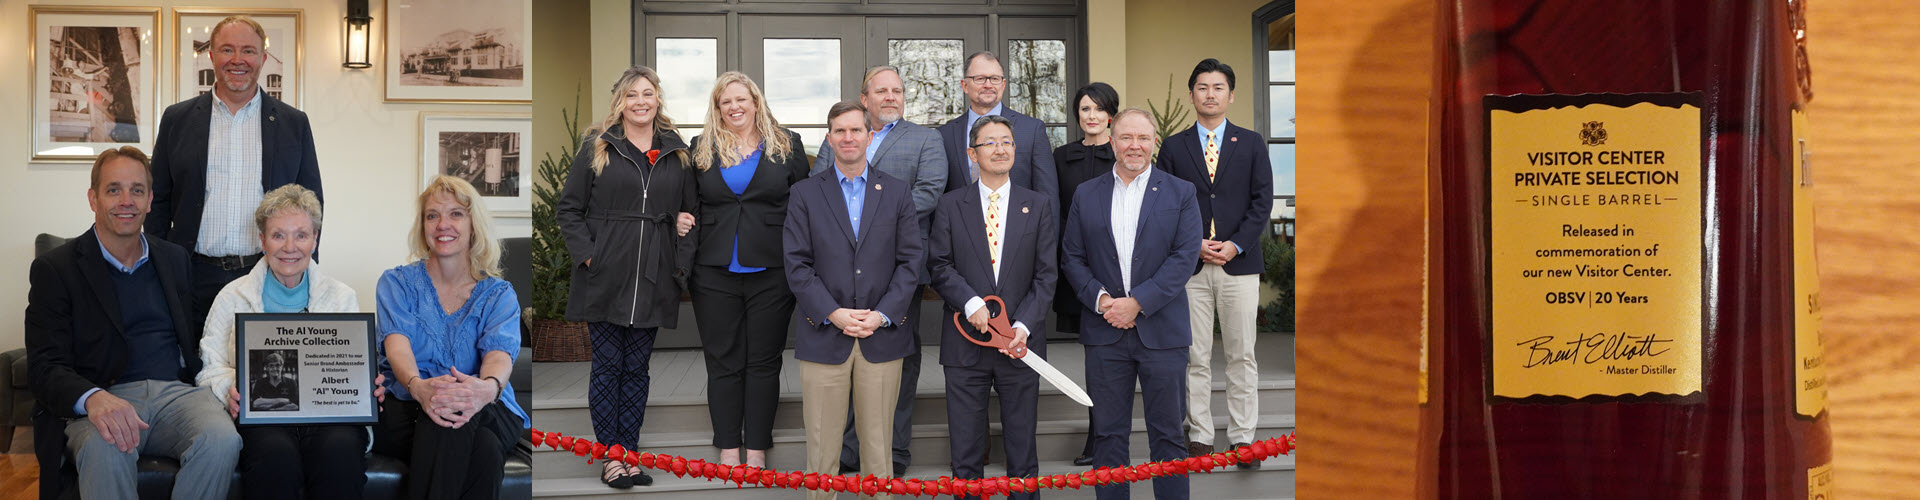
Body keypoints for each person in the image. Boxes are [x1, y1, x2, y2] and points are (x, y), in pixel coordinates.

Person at [26, 147, 243, 500]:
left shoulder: (174, 259)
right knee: (105, 446)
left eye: (137, 190)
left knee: (221, 439)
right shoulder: (56, 268)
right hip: (103, 395)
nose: (126, 200)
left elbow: (200, 338)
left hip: (177, 395)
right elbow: (44, 365)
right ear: (93, 198)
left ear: (150, 199)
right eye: (114, 190)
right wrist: (93, 398)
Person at [556, 65, 698, 489]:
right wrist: (589, 258)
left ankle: (629, 455)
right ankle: (610, 459)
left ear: (658, 100)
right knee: (608, 366)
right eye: (632, 94)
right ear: (620, 100)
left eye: (648, 94)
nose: (641, 101)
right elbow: (569, 209)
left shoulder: (677, 151)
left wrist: (679, 261)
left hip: (655, 273)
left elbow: (692, 214)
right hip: (605, 273)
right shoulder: (597, 146)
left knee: (637, 367)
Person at [197, 183, 383, 497]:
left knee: (340, 452)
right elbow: (208, 370)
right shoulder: (232, 296)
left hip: (329, 419)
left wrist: (364, 384)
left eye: (301, 234)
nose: (289, 247)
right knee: (274, 456)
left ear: (315, 239)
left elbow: (354, 365)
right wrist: (230, 386)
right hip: (264, 417)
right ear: (262, 240)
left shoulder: (341, 297)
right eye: (278, 235)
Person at [785, 101, 924, 500]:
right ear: (829, 138)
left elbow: (910, 261)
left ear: (869, 136)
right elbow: (796, 265)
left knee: (878, 451)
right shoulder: (805, 194)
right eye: (840, 131)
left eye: (856, 131)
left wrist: (881, 315)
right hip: (824, 335)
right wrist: (834, 312)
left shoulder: (896, 192)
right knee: (822, 452)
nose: (848, 138)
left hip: (881, 338)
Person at [813, 65, 947, 477]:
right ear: (864, 97)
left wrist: (873, 225)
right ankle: (850, 450)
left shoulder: (927, 139)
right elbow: (819, 187)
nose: (891, 97)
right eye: (881, 91)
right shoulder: (839, 136)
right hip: (840, 273)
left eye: (898, 91)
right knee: (845, 360)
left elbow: (929, 190)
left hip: (899, 271)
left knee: (897, 365)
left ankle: (895, 450)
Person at [147, 16, 323, 329]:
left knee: (266, 372)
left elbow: (312, 206)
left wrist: (303, 275)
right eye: (227, 50)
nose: (238, 60)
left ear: (263, 59)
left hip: (266, 274)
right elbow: (157, 201)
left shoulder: (293, 123)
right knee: (195, 369)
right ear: (211, 55)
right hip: (192, 275)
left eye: (249, 51)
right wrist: (158, 268)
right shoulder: (177, 119)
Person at [1061, 108, 1202, 500]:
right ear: (1112, 141)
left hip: (1163, 333)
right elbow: (1072, 256)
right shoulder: (1086, 194)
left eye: (1143, 138)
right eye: (1126, 138)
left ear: (1154, 141)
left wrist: (1138, 303)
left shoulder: (1181, 192)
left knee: (1169, 436)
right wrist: (1105, 301)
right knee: (1107, 437)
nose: (1134, 146)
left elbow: (1184, 258)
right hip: (1104, 334)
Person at [927, 115, 1058, 500]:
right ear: (972, 153)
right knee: (966, 455)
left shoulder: (1038, 205)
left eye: (1007, 142)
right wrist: (969, 302)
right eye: (990, 143)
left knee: (1022, 454)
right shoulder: (951, 205)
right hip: (966, 346)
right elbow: (939, 264)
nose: (1000, 149)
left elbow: (1046, 275)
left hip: (1021, 344)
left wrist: (1024, 325)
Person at [374, 176, 528, 500]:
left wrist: (485, 389)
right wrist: (419, 387)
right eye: (433, 215)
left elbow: (499, 356)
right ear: (423, 226)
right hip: (407, 404)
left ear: (474, 224)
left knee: (449, 413)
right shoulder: (396, 283)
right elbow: (397, 346)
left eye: (456, 213)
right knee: (481, 447)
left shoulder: (498, 294)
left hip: (490, 401)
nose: (443, 224)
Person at [686, 71, 811, 471]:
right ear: (717, 108)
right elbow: (690, 201)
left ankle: (757, 446)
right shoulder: (700, 147)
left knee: (763, 360)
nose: (735, 107)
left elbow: (804, 204)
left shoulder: (787, 144)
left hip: (772, 271)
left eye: (742, 99)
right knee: (722, 360)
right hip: (713, 270)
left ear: (756, 102)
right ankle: (726, 445)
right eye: (727, 102)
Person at [1154, 59, 1273, 463]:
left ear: (1230, 95)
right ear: (1192, 95)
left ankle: (1243, 438)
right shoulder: (1172, 146)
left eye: (1217, 87)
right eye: (1202, 87)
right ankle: (1201, 434)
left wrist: (1235, 245)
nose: (1210, 94)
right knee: (1195, 355)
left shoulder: (1252, 142)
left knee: (1242, 354)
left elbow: (1262, 203)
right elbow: (1165, 204)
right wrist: (1195, 244)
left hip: (1239, 264)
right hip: (1190, 267)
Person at [1052, 81, 1121, 466]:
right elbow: (1055, 210)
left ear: (1111, 113)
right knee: (1093, 357)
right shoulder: (1061, 156)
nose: (1092, 117)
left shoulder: (1126, 152)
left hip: (1119, 273)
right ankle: (1098, 439)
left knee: (1111, 359)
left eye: (1099, 109)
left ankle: (1105, 437)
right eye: (1085, 110)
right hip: (1076, 271)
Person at [938, 51, 1058, 202]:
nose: (988, 85)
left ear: (1003, 84)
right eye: (980, 78)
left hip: (1018, 223)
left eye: (994, 79)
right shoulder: (945, 134)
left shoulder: (1032, 130)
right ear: (965, 85)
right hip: (961, 223)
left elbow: (1047, 194)